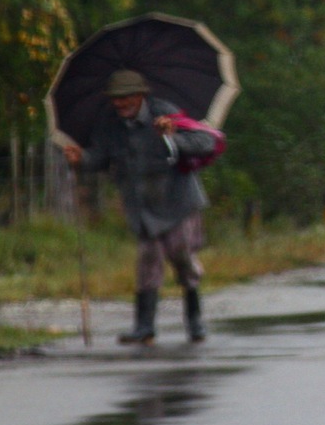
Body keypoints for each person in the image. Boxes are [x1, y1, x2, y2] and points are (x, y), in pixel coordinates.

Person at [62, 69, 216, 344]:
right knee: (148, 263)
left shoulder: (165, 113)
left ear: (140, 95)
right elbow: (99, 156)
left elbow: (205, 142)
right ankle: (144, 326)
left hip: (177, 202)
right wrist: (81, 159)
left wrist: (172, 137)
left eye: (126, 98)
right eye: (116, 99)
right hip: (141, 205)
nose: (120, 104)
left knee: (183, 261)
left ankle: (194, 321)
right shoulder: (109, 123)